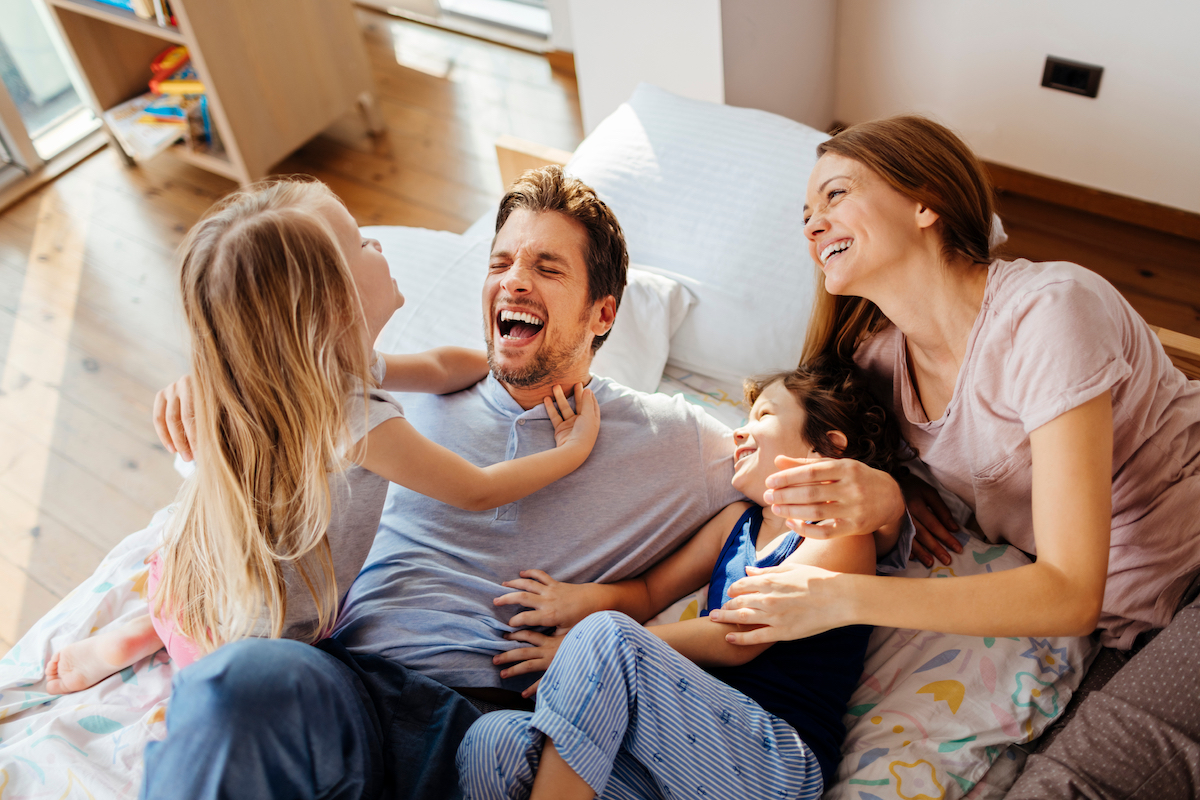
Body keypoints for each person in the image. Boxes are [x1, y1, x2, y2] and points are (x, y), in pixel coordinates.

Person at [142, 166, 914, 799]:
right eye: (501, 262)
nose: (514, 281)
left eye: (547, 268)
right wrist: (205, 383)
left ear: (601, 311)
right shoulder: (394, 396)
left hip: (479, 736)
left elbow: (802, 486)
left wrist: (889, 503)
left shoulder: (675, 439)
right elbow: (279, 378)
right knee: (231, 687)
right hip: (343, 688)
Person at [707, 115, 1200, 798]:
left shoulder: (1049, 315)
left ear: (925, 201)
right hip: (1120, 628)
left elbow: (1069, 591)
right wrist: (894, 484)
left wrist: (838, 598)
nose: (813, 224)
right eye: (806, 213)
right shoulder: (876, 365)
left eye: (836, 195)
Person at [43, 177, 600, 695]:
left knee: (195, 609)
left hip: (199, 584)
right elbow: (477, 490)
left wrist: (501, 358)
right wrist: (570, 451)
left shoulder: (306, 373)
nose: (378, 245)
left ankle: (149, 629)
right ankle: (157, 635)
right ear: (333, 306)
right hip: (264, 640)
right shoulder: (355, 419)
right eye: (361, 244)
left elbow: (433, 367)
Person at [456, 356, 905, 800]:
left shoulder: (840, 533)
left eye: (765, 415)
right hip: (680, 755)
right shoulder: (736, 522)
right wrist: (577, 600)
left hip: (771, 761)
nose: (739, 431)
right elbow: (650, 591)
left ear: (828, 448)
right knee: (497, 741)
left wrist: (585, 648)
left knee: (608, 637)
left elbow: (740, 633)